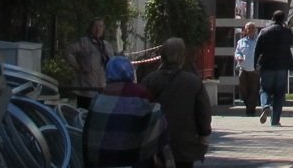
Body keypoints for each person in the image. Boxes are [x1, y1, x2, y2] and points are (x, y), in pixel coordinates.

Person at [82, 55, 169, 167]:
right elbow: (155, 117)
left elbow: (87, 134)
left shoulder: (98, 98)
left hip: (99, 162)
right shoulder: (141, 92)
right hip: (132, 160)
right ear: (131, 73)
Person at [144, 37, 212, 168]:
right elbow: (203, 111)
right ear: (182, 57)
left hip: (155, 144)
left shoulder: (149, 81)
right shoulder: (193, 82)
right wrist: (204, 134)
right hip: (184, 146)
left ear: (162, 56)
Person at [254, 10, 293, 126]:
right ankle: (275, 121)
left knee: (264, 89)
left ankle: (266, 106)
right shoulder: (286, 31)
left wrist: (255, 64)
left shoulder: (264, 31)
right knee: (279, 93)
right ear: (283, 19)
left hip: (267, 66)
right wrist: (288, 30)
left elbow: (257, 49)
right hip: (282, 67)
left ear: (272, 18)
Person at [68, 17, 118, 109]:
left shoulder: (107, 46)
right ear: (91, 28)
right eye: (95, 26)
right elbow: (69, 52)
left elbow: (112, 64)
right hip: (86, 88)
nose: (98, 29)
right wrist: (78, 67)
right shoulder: (84, 42)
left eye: (101, 26)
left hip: (102, 88)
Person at [233, 21, 260, 116]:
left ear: (255, 30)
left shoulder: (259, 41)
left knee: (254, 89)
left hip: (254, 69)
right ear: (245, 30)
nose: (251, 30)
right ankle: (248, 104)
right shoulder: (241, 42)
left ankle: (251, 109)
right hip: (243, 68)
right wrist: (238, 57)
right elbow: (237, 52)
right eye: (249, 28)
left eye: (253, 28)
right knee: (243, 89)